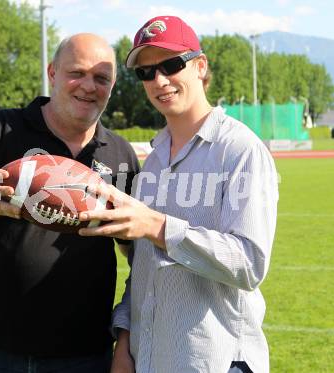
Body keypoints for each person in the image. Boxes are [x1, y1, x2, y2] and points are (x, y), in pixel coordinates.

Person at [0, 33, 140, 373]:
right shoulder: (1, 129)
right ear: (52, 73)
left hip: (83, 357)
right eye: (77, 73)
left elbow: (137, 255)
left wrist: (126, 341)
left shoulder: (120, 154)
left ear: (112, 86)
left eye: (101, 78)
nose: (88, 86)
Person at [78, 16, 278, 373]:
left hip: (215, 362)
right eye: (146, 72)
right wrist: (124, 338)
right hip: (150, 359)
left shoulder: (240, 150)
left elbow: (249, 264)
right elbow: (143, 269)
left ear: (200, 66)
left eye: (171, 65)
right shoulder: (153, 161)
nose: (160, 80)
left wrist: (157, 226)